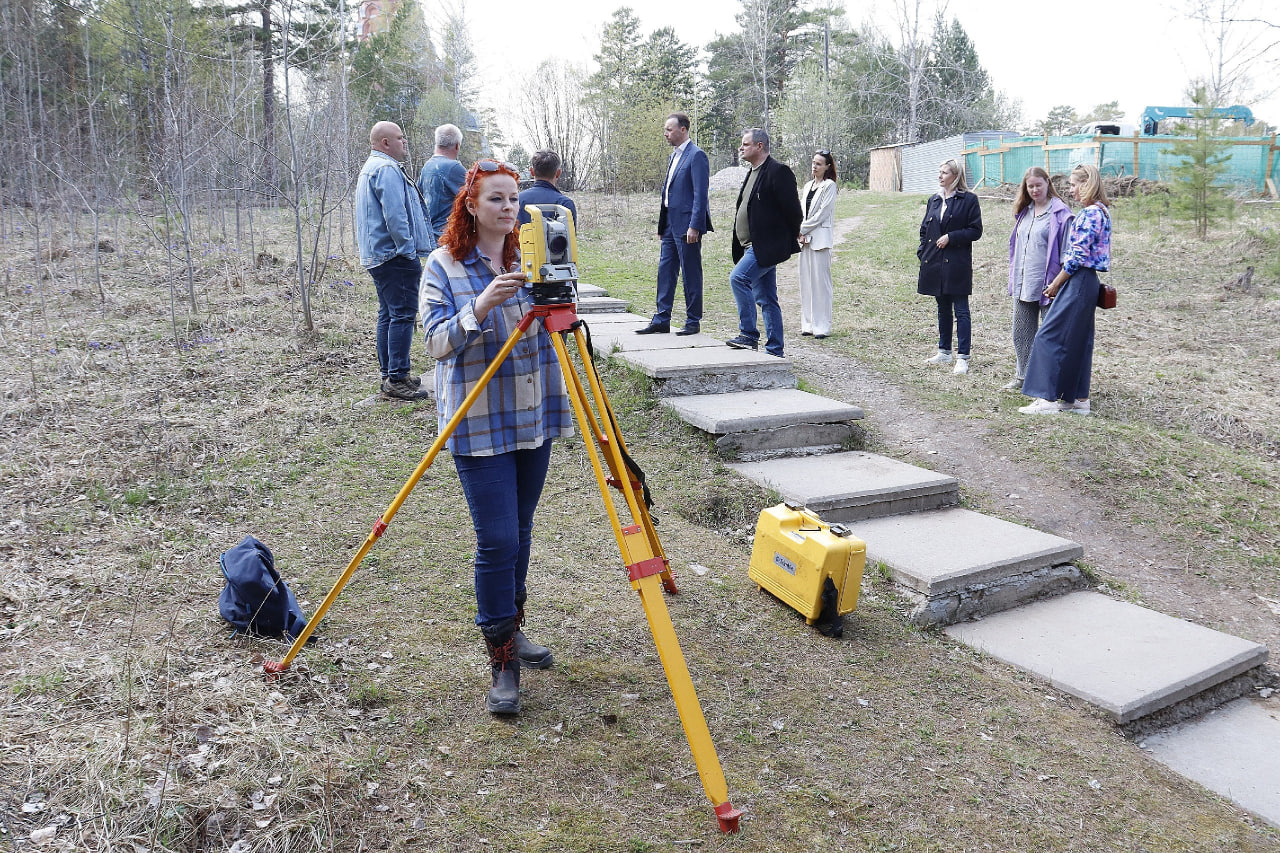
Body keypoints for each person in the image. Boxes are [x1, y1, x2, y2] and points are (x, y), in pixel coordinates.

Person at [420, 160, 573, 714]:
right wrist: (480, 307)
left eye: (513, 200)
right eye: (496, 200)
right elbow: (435, 343)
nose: (508, 209)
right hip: (480, 421)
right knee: (498, 539)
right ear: (471, 206)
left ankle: (515, 627)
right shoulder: (444, 266)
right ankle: (502, 661)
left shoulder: (532, 257)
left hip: (533, 416)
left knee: (522, 531)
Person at [1019, 164, 1112, 415]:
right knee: (1079, 340)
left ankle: (1046, 399)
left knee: (1048, 336)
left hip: (1078, 280)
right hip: (1088, 281)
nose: (1071, 190)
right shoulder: (1102, 211)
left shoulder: (1089, 214)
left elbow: (1075, 258)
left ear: (1087, 184)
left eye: (1074, 184)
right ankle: (1077, 399)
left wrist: (1055, 284)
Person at [355, 120, 432, 400]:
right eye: (400, 138)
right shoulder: (386, 169)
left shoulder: (371, 167)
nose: (404, 142)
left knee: (388, 313)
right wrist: (408, 249)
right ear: (385, 142)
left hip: (379, 254)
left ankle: (391, 375)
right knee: (401, 314)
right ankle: (397, 378)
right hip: (394, 255)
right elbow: (395, 215)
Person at [726, 128, 803, 357]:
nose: (741, 148)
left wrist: (785, 239)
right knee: (767, 298)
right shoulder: (752, 172)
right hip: (750, 245)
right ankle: (775, 349)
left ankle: (748, 335)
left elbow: (794, 211)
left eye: (746, 144)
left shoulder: (778, 172)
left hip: (765, 247)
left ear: (760, 146)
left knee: (738, 278)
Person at [637, 112, 712, 336]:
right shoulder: (673, 156)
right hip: (670, 224)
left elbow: (701, 195)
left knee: (690, 273)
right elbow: (667, 193)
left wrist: (695, 225)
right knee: (665, 271)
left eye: (669, 130)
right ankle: (662, 318)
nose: (665, 134)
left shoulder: (696, 156)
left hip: (688, 224)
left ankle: (692, 320)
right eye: (665, 129)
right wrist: (662, 226)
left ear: (683, 130)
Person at [1005, 167, 1073, 392]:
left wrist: (1057, 284)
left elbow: (1067, 253)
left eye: (1038, 185)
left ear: (1047, 184)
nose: (1034, 190)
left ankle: (1053, 382)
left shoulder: (1061, 214)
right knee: (1021, 333)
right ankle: (1023, 376)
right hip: (1024, 282)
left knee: (1050, 336)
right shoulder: (1025, 211)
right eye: (1030, 186)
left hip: (1049, 286)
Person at [917, 158, 983, 375]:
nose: (940, 176)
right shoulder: (934, 200)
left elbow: (976, 231)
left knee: (961, 311)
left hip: (957, 264)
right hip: (934, 262)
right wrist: (922, 252)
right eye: (940, 172)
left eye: (945, 172)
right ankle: (944, 351)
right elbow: (924, 230)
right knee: (942, 308)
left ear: (955, 176)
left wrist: (951, 237)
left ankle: (963, 357)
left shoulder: (969, 200)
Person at [797, 150, 838, 339]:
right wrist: (801, 231)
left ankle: (822, 326)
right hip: (805, 240)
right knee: (806, 283)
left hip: (820, 239)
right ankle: (808, 323)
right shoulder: (807, 186)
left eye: (819, 164)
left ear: (827, 166)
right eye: (813, 163)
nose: (815, 166)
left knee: (821, 285)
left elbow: (822, 214)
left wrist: (803, 229)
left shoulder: (830, 186)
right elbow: (802, 212)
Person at [416, 123, 467, 250]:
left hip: (431, 236)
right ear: (457, 145)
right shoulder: (453, 167)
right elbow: (474, 198)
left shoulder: (427, 166)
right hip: (448, 236)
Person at [517, 149, 578, 227]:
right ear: (558, 173)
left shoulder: (516, 200)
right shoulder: (565, 204)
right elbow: (570, 238)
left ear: (532, 172)